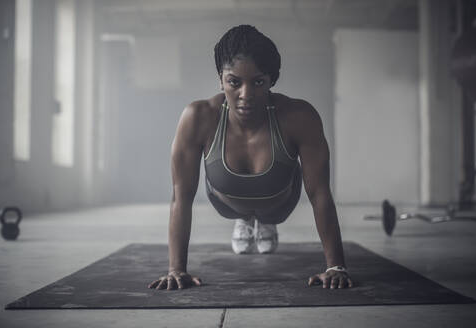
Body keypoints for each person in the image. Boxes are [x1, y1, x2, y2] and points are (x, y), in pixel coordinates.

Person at [148, 25, 353, 291]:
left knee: (270, 213)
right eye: (234, 82)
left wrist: (335, 266)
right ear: (220, 79)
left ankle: (264, 223)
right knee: (239, 209)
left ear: (271, 81)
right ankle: (244, 220)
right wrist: (176, 269)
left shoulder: (300, 117)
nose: (246, 95)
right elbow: (181, 196)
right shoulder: (198, 117)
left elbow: (320, 194)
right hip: (226, 201)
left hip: (279, 203)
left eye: (258, 82)